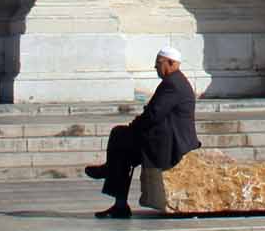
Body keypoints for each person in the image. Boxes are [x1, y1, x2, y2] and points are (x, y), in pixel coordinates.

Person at [84, 46, 200, 219]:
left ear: (171, 63)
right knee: (123, 152)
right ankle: (119, 203)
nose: (156, 68)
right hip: (165, 137)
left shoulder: (173, 84)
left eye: (158, 63)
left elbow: (153, 114)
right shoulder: (176, 81)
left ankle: (110, 176)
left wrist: (133, 128)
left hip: (171, 142)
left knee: (119, 136)